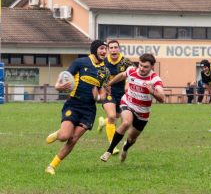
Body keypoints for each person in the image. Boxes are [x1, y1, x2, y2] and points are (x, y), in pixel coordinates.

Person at [45, 40, 110, 175]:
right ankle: (58, 134)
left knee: (73, 139)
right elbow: (64, 77)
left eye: (106, 49)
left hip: (89, 110)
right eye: (102, 48)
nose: (104, 51)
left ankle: (51, 166)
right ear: (95, 50)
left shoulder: (105, 71)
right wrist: (58, 86)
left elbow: (103, 94)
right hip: (74, 105)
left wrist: (97, 97)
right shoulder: (80, 62)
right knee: (64, 136)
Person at [100, 53, 165, 162]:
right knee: (126, 122)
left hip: (142, 113)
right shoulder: (132, 70)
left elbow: (162, 98)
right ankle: (109, 151)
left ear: (152, 67)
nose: (142, 69)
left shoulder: (154, 79)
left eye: (145, 67)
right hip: (128, 103)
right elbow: (122, 75)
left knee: (132, 138)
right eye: (140, 65)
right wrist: (109, 84)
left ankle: (125, 148)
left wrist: (152, 91)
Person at [97, 40, 133, 155]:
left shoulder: (126, 62)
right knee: (112, 116)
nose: (113, 50)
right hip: (109, 94)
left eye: (115, 47)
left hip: (122, 95)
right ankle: (112, 146)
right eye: (111, 48)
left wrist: (128, 83)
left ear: (119, 49)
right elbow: (97, 77)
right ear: (108, 50)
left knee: (117, 118)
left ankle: (103, 122)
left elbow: (133, 74)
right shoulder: (103, 62)